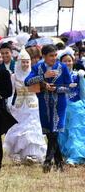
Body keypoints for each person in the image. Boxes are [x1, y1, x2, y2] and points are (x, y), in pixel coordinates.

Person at [25, 44, 72, 173]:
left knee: (55, 131)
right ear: (44, 56)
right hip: (44, 105)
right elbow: (27, 82)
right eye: (51, 56)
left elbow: (70, 87)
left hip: (59, 105)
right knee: (50, 133)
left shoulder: (62, 67)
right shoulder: (38, 67)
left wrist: (56, 89)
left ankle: (47, 161)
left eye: (55, 55)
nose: (54, 58)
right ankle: (59, 162)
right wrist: (43, 77)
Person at [4, 48, 47, 165]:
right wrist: (9, 103)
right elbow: (11, 92)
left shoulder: (34, 75)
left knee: (32, 128)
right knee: (18, 128)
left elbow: (39, 89)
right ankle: (18, 153)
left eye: (27, 62)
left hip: (32, 105)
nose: (25, 64)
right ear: (18, 62)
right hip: (19, 106)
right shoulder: (13, 76)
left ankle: (32, 154)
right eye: (23, 62)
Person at [57, 50, 85, 165]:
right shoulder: (57, 76)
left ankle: (76, 156)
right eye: (65, 61)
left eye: (69, 61)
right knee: (62, 132)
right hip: (62, 107)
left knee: (75, 131)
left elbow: (83, 92)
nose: (67, 63)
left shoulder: (78, 75)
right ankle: (66, 153)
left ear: (73, 61)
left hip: (76, 108)